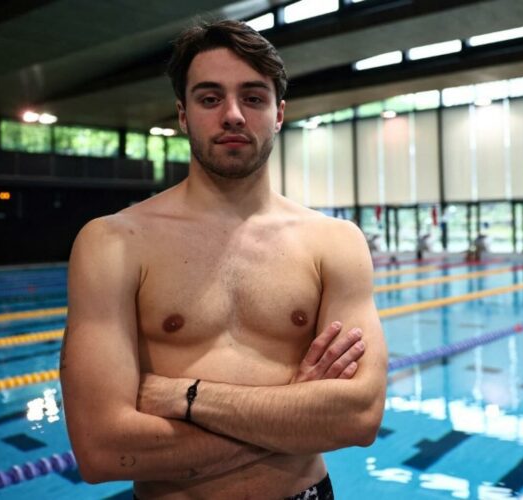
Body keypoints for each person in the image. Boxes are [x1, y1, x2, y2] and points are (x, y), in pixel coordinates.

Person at [60, 19, 387, 499]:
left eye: (253, 98)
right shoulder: (113, 242)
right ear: (183, 114)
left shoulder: (335, 242)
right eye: (210, 98)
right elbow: (101, 450)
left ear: (278, 114)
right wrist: (294, 413)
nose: (233, 114)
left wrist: (182, 396)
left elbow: (359, 418)